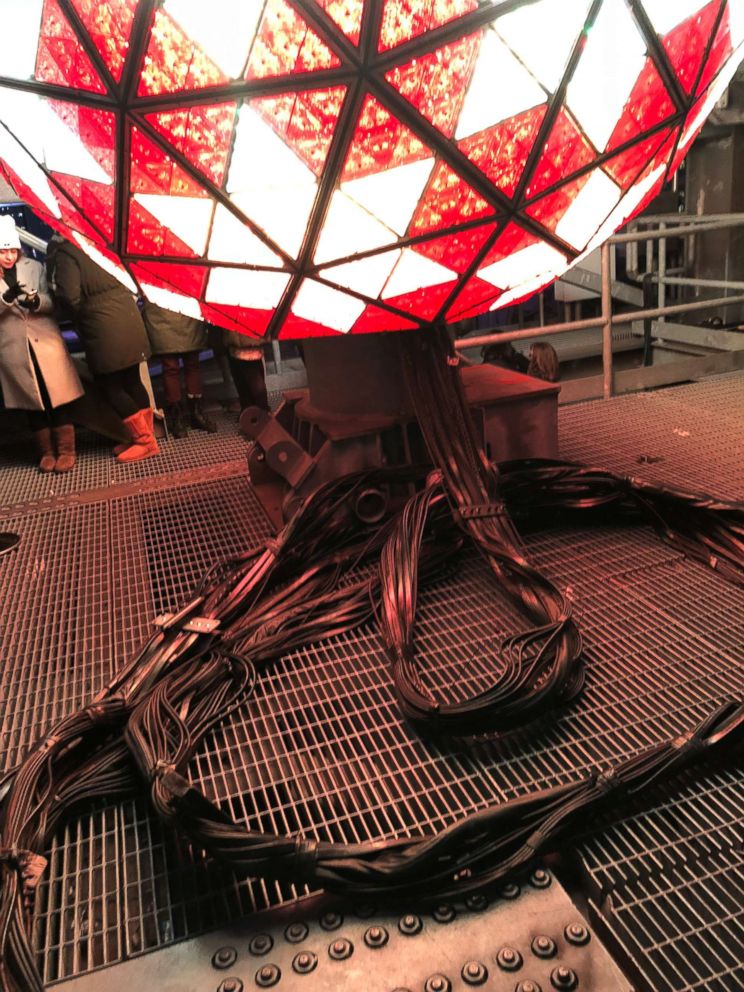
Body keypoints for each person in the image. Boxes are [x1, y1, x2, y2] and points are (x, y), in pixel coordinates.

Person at [46, 235, 157, 462]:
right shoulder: (102, 243)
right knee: (132, 380)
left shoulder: (68, 251)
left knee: (111, 386)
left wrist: (77, 318)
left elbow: (70, 296)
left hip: (102, 325)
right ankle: (145, 436)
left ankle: (145, 441)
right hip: (128, 316)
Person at [0, 216, 83, 472]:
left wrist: (35, 302)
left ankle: (67, 450)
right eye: (3, 251)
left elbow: (51, 301)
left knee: (56, 396)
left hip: (45, 342)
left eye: (12, 250)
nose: (9, 256)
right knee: (32, 401)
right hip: (13, 347)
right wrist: (6, 298)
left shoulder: (34, 267)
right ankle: (46, 452)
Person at [141, 300, 216, 436]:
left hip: (161, 310)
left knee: (172, 368)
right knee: (191, 365)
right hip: (185, 307)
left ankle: (178, 418)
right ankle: (195, 414)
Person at [224, 329, 269, 414]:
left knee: (253, 378)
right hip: (238, 339)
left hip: (246, 337)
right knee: (241, 378)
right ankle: (250, 412)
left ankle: (262, 414)